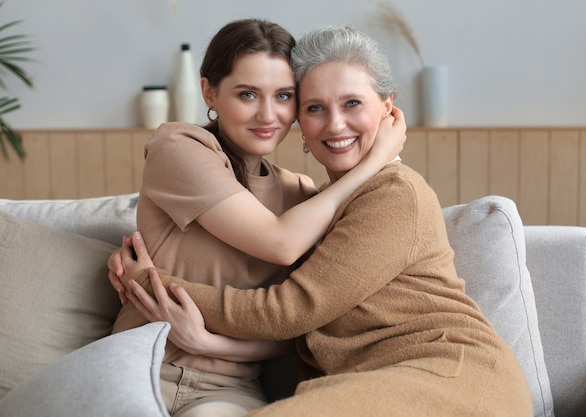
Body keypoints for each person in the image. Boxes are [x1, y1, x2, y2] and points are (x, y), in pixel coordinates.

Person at [112, 25, 533, 416]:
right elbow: (300, 322)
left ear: (388, 109)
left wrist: (149, 281)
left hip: (448, 373)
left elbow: (287, 311)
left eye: (352, 103)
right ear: (303, 123)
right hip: (374, 379)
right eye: (315, 107)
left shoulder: (392, 193)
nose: (335, 124)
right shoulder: (314, 206)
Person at [109, 19, 406, 417]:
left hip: (226, 390)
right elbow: (278, 243)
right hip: (137, 369)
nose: (268, 115)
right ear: (209, 91)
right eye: (247, 94)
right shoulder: (179, 147)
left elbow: (301, 326)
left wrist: (205, 343)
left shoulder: (302, 196)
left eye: (283, 96)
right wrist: (373, 162)